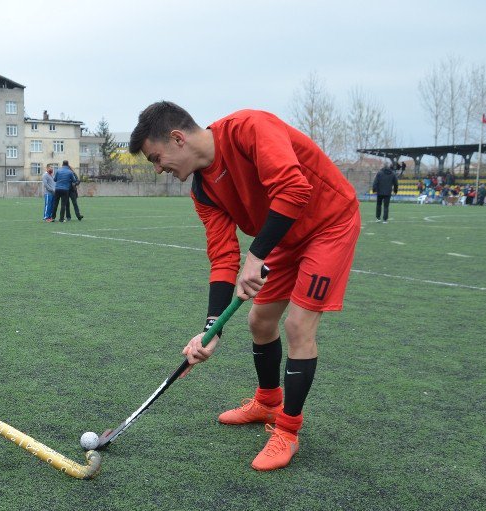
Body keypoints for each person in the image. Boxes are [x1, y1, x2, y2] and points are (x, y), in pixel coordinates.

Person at [129, 101, 360, 471]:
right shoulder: (202, 192)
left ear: (177, 139)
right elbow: (222, 257)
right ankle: (268, 401)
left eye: (156, 159)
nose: (158, 170)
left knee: (298, 325)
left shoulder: (250, 128)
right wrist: (210, 330)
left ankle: (287, 430)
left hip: (328, 224)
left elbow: (294, 189)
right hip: (283, 237)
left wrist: (256, 255)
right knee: (259, 322)